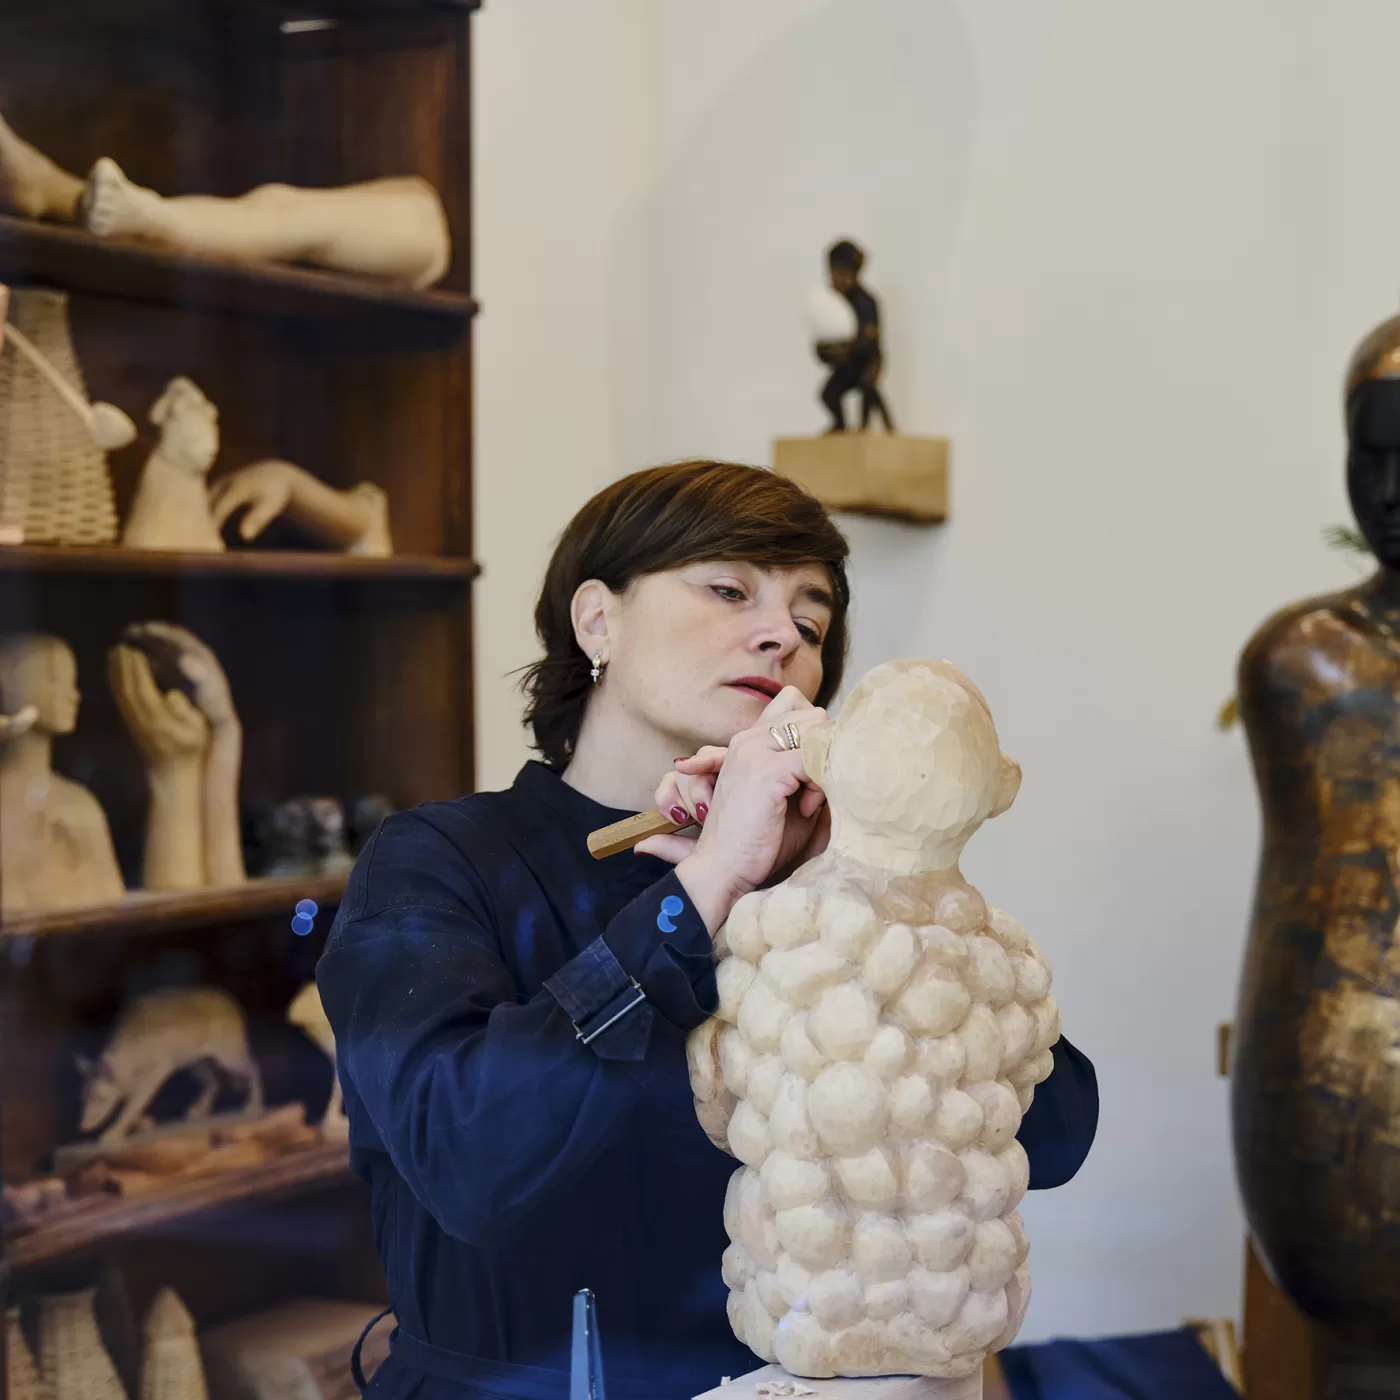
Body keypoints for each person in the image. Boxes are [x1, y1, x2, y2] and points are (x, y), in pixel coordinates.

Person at [316, 461, 1098, 1400]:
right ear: (597, 619)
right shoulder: (437, 860)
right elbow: (469, 1157)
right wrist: (704, 886)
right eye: (729, 590)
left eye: (811, 625)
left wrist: (856, 886)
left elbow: (1051, 1134)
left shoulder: (824, 889)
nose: (782, 636)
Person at [817, 241, 895, 433]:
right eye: (835, 274)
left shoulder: (865, 302)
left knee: (868, 386)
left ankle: (866, 427)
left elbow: (869, 341)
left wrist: (847, 347)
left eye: (844, 274)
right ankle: (840, 425)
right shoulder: (833, 303)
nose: (838, 280)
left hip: (867, 361)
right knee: (829, 394)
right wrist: (826, 351)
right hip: (847, 363)